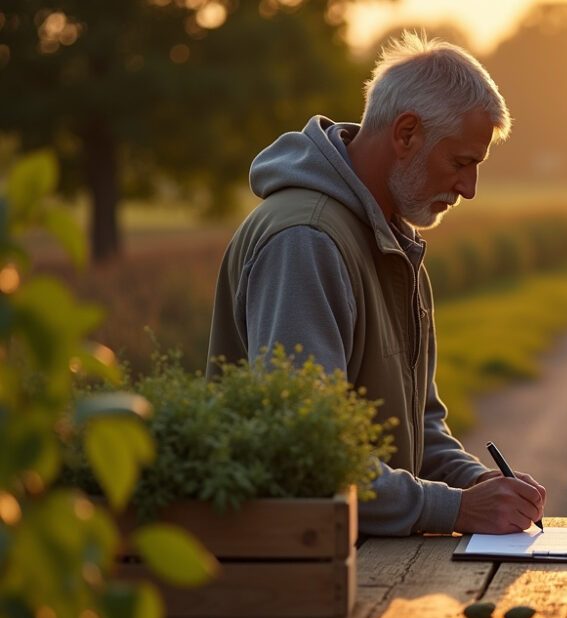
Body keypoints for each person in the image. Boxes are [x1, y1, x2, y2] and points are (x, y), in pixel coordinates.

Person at [206, 33, 546, 537]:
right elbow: (309, 462)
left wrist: (480, 486)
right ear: (406, 133)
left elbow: (420, 430)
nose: (469, 189)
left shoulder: (392, 241)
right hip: (294, 580)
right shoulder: (307, 241)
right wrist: (454, 510)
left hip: (361, 561)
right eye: (461, 162)